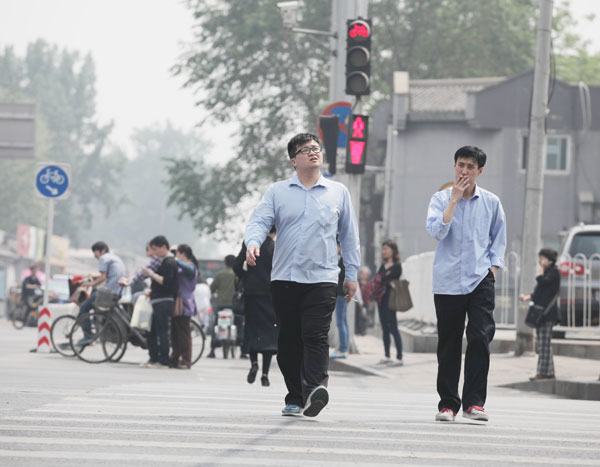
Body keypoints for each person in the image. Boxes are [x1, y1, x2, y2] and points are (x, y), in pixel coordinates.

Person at [245, 132, 360, 418]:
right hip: (285, 277)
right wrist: (253, 242)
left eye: (316, 148)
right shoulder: (278, 191)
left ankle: (314, 390)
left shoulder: (337, 192)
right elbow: (260, 221)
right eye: (305, 149)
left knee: (316, 336)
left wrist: (352, 274)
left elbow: (349, 236)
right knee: (288, 341)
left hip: (322, 278)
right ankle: (295, 396)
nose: (313, 152)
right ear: (293, 160)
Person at [426, 145, 506, 423]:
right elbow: (437, 231)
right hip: (447, 281)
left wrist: (492, 271)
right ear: (454, 166)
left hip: (480, 279)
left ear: (479, 171)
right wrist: (454, 201)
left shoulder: (492, 202)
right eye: (460, 165)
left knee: (479, 337)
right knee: (448, 343)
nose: (464, 171)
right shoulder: (439, 199)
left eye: (470, 167)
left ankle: (475, 403)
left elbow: (499, 240)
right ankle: (448, 404)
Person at [233, 226, 278, 386]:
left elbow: (236, 265)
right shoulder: (274, 246)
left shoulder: (250, 244)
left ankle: (254, 364)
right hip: (270, 295)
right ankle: (265, 373)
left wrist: (248, 276)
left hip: (251, 294)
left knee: (252, 330)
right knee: (269, 333)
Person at [519, 248, 560, 381]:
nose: (539, 261)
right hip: (542, 314)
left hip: (547, 314)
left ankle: (543, 372)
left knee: (544, 345)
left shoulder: (554, 273)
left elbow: (543, 282)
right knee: (544, 344)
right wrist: (527, 297)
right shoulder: (549, 272)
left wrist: (541, 270)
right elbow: (540, 293)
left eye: (542, 258)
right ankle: (549, 372)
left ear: (548, 260)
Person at [76, 242, 126, 344]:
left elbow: (103, 278)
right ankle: (95, 320)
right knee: (95, 293)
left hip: (108, 293)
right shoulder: (115, 258)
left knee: (84, 307)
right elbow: (107, 275)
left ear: (102, 250)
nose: (95, 255)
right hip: (117, 292)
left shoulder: (104, 258)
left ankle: (88, 335)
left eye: (95, 252)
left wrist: (90, 284)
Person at [141, 235, 178, 369]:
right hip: (157, 299)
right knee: (152, 331)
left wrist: (150, 274)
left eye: (156, 249)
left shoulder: (169, 262)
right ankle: (153, 358)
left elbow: (166, 282)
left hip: (164, 300)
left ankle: (163, 361)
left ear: (164, 247)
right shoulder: (164, 261)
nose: (154, 253)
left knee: (162, 331)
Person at [375, 240, 404, 365]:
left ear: (393, 250)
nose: (384, 251)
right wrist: (384, 277)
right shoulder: (383, 266)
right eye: (383, 249)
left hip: (391, 299)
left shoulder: (397, 266)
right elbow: (379, 279)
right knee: (384, 328)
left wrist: (384, 277)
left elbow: (384, 279)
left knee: (393, 327)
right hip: (381, 299)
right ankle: (387, 356)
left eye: (386, 249)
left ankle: (399, 357)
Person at [171, 244, 199, 369]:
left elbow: (187, 268)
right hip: (178, 302)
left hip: (185, 303)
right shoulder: (183, 266)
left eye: (176, 253)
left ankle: (186, 360)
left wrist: (174, 259)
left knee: (183, 334)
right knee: (175, 333)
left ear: (182, 253)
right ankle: (175, 358)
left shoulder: (191, 267)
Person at [207, 254, 238, 358]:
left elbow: (212, 288)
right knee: (239, 325)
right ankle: (243, 350)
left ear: (225, 263)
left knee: (216, 326)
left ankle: (212, 350)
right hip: (235, 306)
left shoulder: (220, 274)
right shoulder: (237, 274)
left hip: (221, 305)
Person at [330, 241, 349, 359]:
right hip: (342, 294)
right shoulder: (343, 259)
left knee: (340, 322)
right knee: (343, 321)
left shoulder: (343, 260)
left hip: (341, 294)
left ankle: (342, 349)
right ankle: (343, 347)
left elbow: (342, 278)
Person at [357, 266, 373, 333]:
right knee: (358, 316)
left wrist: (371, 302)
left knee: (365, 317)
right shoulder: (357, 283)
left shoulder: (369, 284)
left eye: (366, 274)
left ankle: (363, 330)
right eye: (363, 274)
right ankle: (358, 330)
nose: (364, 276)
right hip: (358, 303)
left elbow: (371, 294)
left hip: (366, 303)